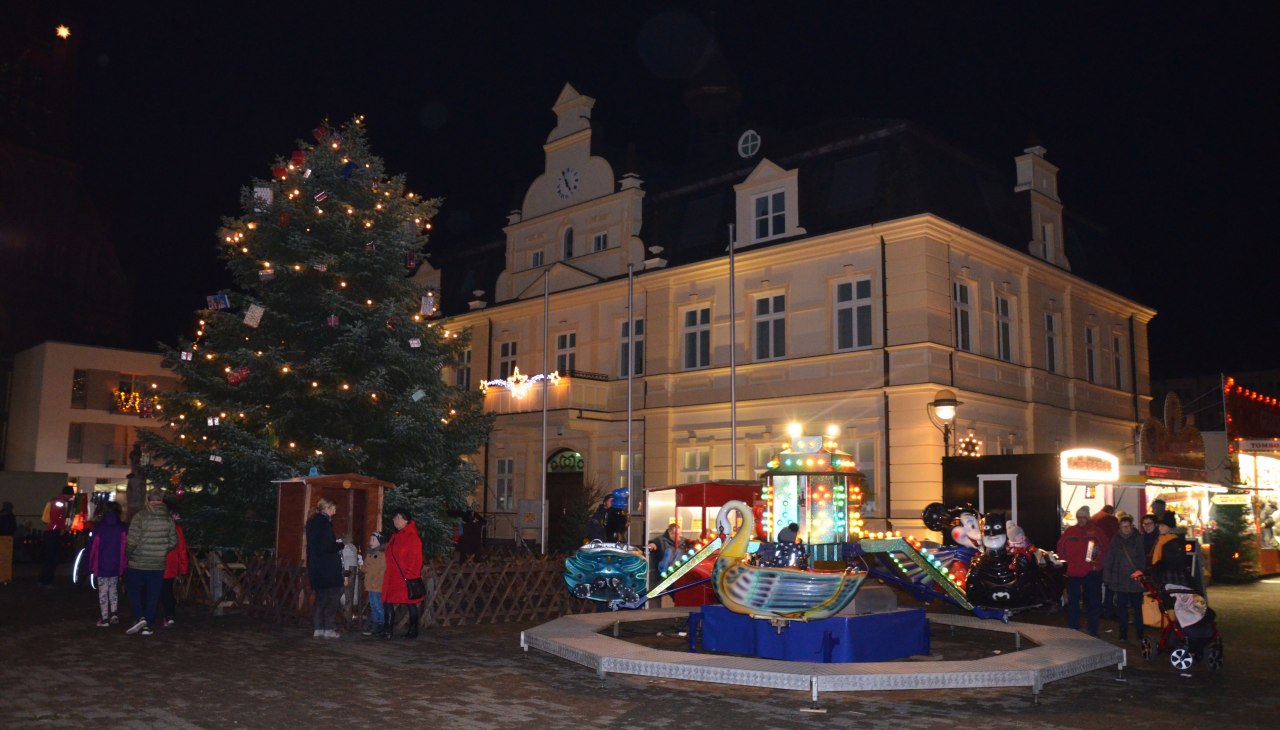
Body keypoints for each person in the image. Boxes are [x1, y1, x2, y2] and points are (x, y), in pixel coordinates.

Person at [125, 489, 177, 636]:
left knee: (133, 590)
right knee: (153, 595)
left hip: (138, 562)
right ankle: (147, 625)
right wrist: (161, 550)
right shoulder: (168, 519)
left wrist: (129, 554)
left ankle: (140, 616)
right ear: (162, 500)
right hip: (158, 563)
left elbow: (132, 540)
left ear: (148, 500)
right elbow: (173, 541)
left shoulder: (140, 517)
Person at [1056, 506, 1107, 636]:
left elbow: (1106, 549)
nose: (1081, 520)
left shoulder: (1097, 531)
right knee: (1074, 602)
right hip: (1074, 572)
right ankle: (1074, 627)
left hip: (1091, 571)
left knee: (1092, 602)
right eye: (1079, 517)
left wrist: (1098, 565)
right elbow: (1061, 547)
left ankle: (1093, 629)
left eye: (1083, 517)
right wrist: (1066, 563)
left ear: (1088, 517)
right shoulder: (1070, 531)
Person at [1102, 515, 1146, 643]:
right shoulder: (1116, 539)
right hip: (1120, 579)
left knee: (1137, 608)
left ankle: (1140, 634)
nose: (1125, 529)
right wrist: (1108, 577)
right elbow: (1110, 558)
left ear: (1132, 526)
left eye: (1127, 527)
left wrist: (1139, 571)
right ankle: (1123, 634)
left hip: (1134, 579)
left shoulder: (1138, 538)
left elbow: (1141, 558)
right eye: (1122, 527)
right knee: (1122, 609)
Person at [382, 509, 424, 639]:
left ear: (405, 520)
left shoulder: (412, 537)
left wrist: (410, 575)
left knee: (410, 602)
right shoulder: (396, 536)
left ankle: (413, 630)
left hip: (404, 578)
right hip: (393, 576)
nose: (395, 520)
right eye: (395, 518)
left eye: (397, 518)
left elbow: (416, 559)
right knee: (388, 600)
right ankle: (388, 631)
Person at [305, 498, 344, 639]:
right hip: (328, 568)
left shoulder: (311, 522)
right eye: (333, 507)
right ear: (327, 508)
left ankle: (318, 628)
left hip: (316, 567)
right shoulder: (324, 524)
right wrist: (340, 545)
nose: (335, 510)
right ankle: (329, 629)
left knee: (320, 599)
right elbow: (327, 546)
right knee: (333, 597)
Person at [89, 501, 127, 626]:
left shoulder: (99, 528)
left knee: (103, 591)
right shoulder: (122, 528)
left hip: (102, 563)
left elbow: (93, 548)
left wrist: (90, 565)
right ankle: (114, 613)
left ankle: (105, 618)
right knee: (113, 589)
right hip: (117, 563)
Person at [1148, 511, 1190, 597]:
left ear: (1170, 527)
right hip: (1165, 576)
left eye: (1162, 526)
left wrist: (1158, 566)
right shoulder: (1163, 539)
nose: (1159, 528)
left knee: (1173, 601)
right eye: (1159, 525)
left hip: (1172, 577)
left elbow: (1177, 562)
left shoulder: (1173, 541)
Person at [39, 486, 75, 587]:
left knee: (49, 558)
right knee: (52, 558)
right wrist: (62, 528)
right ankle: (47, 581)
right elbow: (57, 517)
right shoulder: (60, 502)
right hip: (54, 532)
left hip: (51, 531)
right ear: (68, 494)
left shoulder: (57, 501)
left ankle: (43, 580)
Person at [159, 510, 190, 628]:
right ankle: (169, 615)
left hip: (156, 563)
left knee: (157, 590)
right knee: (167, 590)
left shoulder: (156, 526)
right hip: (170, 564)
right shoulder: (175, 528)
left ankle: (147, 616)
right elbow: (182, 549)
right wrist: (183, 568)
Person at [1092, 505, 1120, 618]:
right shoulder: (1111, 519)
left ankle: (1096, 608)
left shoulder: (1093, 517)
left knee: (1095, 582)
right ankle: (1108, 608)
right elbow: (1117, 536)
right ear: (1111, 511)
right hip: (1107, 554)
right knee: (1110, 582)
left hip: (1093, 551)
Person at [359, 531, 388, 637]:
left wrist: (376, 581)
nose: (371, 541)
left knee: (378, 605)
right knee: (373, 605)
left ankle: (381, 624)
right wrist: (361, 566)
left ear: (379, 542)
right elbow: (366, 568)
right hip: (370, 585)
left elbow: (383, 570)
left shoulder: (382, 555)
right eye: (370, 539)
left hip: (377, 585)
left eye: (373, 540)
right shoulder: (370, 554)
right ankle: (376, 624)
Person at [0, 501, 15, 585]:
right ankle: (5, 577)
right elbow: (13, 527)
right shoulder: (10, 516)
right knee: (6, 559)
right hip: (7, 538)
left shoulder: (1, 514)